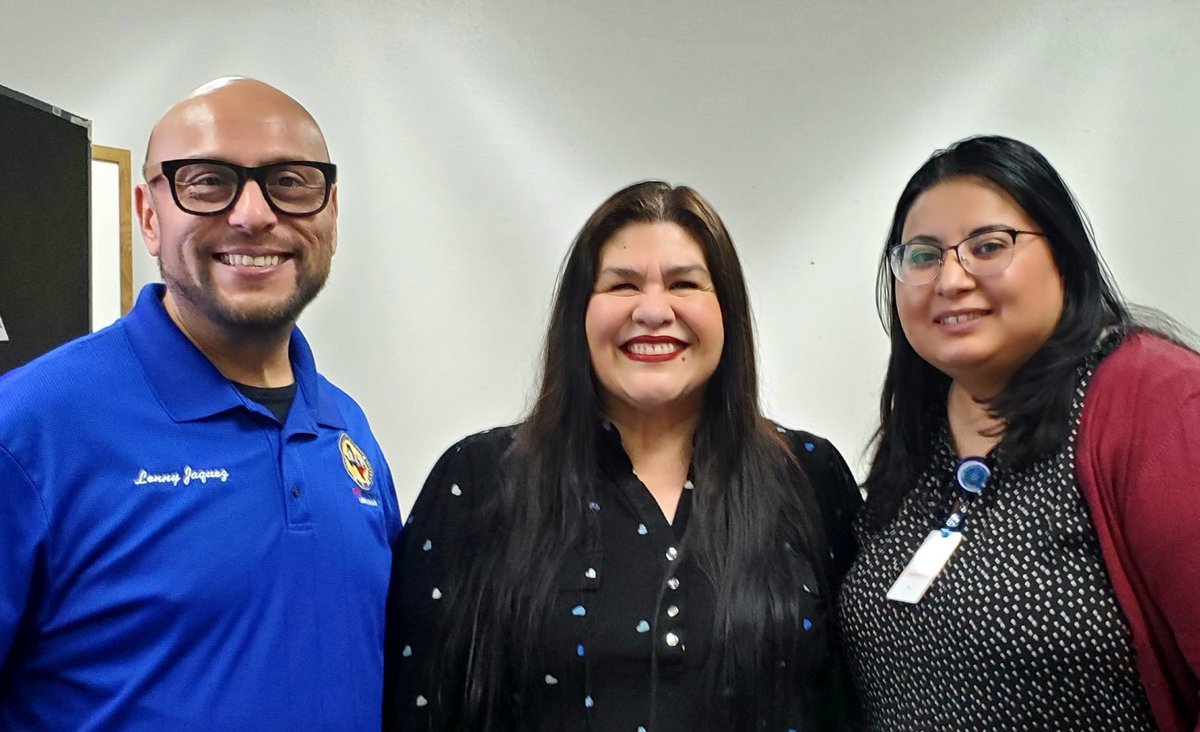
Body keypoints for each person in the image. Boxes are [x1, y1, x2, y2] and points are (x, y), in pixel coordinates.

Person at [385, 180, 861, 731]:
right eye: (622, 286)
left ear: (727, 312)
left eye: (685, 283)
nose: (654, 310)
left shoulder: (810, 475)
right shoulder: (477, 480)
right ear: (578, 316)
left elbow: (850, 703)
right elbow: (420, 709)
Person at [0, 78, 402, 730]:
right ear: (149, 215)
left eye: (292, 182)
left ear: (330, 213)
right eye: (209, 181)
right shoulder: (29, 432)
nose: (253, 214)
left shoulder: (347, 429)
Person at [839, 135, 1200, 731]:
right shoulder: (918, 435)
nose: (950, 280)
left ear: (1063, 254)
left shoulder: (1160, 406)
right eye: (923, 256)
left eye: (988, 246)